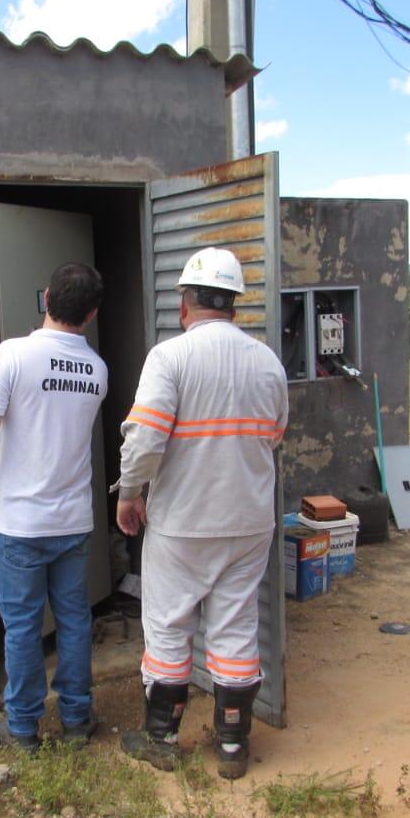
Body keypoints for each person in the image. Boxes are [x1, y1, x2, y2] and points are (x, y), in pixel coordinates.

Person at [113, 246, 288, 779]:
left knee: (169, 624)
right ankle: (233, 745)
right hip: (249, 522)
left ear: (185, 302)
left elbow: (144, 440)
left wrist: (129, 493)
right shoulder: (267, 362)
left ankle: (162, 738)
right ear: (234, 303)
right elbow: (274, 435)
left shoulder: (170, 358)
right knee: (235, 625)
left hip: (184, 524)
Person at [0, 262, 108, 752]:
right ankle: (76, 720)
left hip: (18, 524)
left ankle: (22, 729)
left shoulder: (12, 355)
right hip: (72, 522)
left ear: (46, 299)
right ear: (91, 314)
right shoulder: (97, 370)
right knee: (74, 621)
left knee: (22, 627)